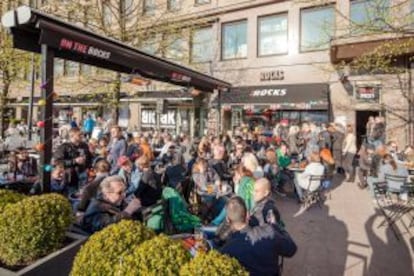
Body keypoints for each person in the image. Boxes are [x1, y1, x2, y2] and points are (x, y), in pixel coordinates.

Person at [220, 197, 297, 276]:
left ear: (228, 220)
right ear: (248, 215)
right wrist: (276, 226)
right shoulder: (269, 231)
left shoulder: (227, 250)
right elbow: (291, 249)